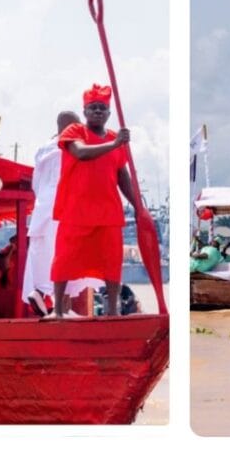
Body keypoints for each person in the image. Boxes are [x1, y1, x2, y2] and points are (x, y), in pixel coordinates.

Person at [50, 85, 138, 317]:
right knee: (64, 259)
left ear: (109, 113)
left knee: (111, 261)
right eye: (93, 108)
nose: (98, 111)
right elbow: (81, 153)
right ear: (85, 111)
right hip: (75, 210)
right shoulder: (74, 131)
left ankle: (112, 311)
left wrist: (138, 206)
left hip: (107, 211)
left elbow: (122, 175)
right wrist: (115, 144)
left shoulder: (114, 139)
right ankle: (58, 310)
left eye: (103, 108)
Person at [23, 111, 101, 316]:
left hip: (43, 208)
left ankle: (41, 293)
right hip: (66, 206)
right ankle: (61, 310)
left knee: (46, 258)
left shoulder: (43, 150)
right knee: (68, 258)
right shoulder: (75, 147)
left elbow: (36, 184)